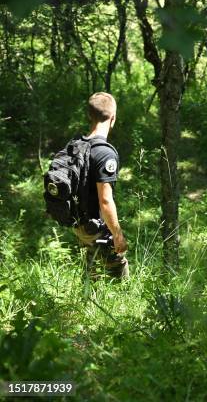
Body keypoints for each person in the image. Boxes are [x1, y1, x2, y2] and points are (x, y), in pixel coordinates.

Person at [74, 92, 129, 280]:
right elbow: (105, 201)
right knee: (119, 275)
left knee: (92, 273)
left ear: (90, 116)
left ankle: (86, 303)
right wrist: (118, 235)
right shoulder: (105, 154)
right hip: (93, 226)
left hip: (78, 223)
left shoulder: (77, 144)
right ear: (113, 118)